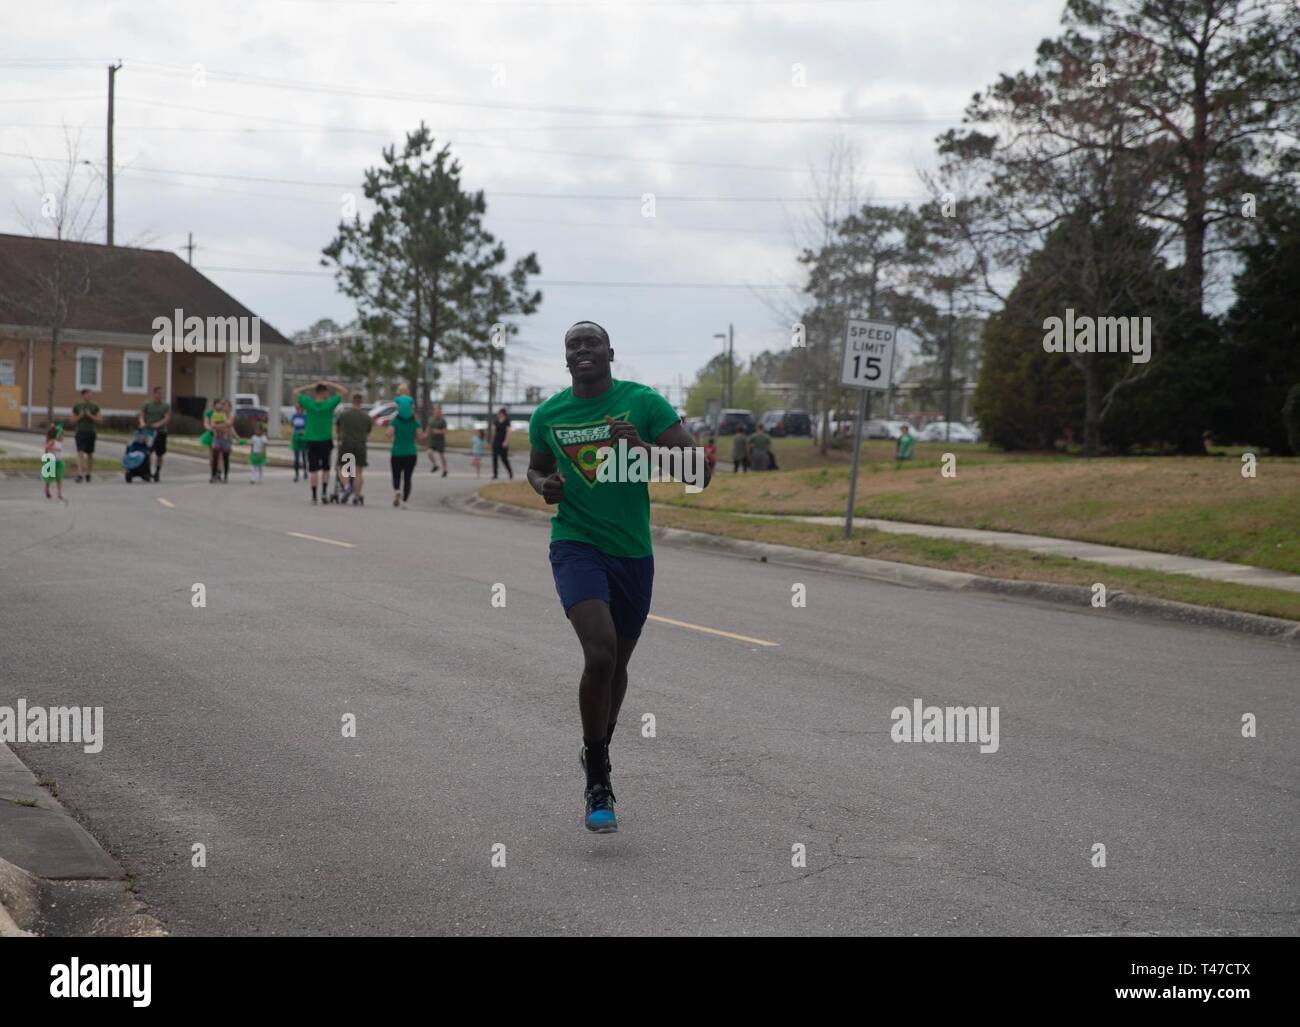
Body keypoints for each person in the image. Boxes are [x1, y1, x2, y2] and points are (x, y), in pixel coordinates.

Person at [527, 321, 710, 833]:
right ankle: (599, 775)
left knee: (617, 664)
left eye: (591, 343)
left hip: (632, 553)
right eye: (572, 345)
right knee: (600, 653)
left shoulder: (644, 404)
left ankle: (596, 750)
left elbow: (700, 473)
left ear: (610, 352)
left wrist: (646, 451)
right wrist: (546, 485)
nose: (582, 350)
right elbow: (535, 468)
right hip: (575, 545)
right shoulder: (548, 414)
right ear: (566, 359)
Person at [296, 380, 348, 505]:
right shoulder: (329, 404)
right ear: (324, 392)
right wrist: (329, 383)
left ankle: (314, 495)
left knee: (313, 469)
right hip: (325, 439)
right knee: (325, 468)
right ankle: (324, 492)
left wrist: (310, 385)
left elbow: (296, 392)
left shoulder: (309, 404)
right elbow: (343, 391)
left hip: (311, 440)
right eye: (326, 392)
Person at [385, 401, 427, 507]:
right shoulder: (415, 422)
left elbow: (388, 434)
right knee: (408, 477)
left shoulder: (395, 421)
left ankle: (397, 491)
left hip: (397, 452)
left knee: (396, 475)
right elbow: (420, 437)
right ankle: (405, 500)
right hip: (411, 453)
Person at [336, 392, 372, 505]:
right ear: (361, 402)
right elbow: (368, 431)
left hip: (347, 444)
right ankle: (357, 495)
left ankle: (347, 487)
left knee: (343, 468)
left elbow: (337, 429)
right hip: (361, 445)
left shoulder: (344, 415)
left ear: (352, 401)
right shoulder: (366, 417)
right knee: (358, 472)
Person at [139, 385, 171, 482]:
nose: (160, 395)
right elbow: (141, 415)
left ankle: (157, 472)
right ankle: (147, 472)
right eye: (159, 393)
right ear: (154, 394)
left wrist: (158, 424)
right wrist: (142, 423)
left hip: (161, 432)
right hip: (148, 432)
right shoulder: (147, 404)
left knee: (159, 454)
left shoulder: (165, 405)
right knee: (147, 452)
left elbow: (167, 418)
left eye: (162, 393)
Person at [71, 388, 100, 483]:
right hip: (80, 432)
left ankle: (88, 473)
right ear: (83, 395)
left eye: (90, 394)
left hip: (91, 432)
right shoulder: (77, 405)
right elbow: (72, 419)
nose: (89, 396)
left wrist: (90, 415)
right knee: (80, 453)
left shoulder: (95, 406)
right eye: (87, 394)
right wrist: (81, 415)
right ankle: (80, 474)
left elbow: (100, 419)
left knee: (90, 454)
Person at [207, 399, 240, 483]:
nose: (224, 407)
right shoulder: (216, 414)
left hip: (226, 439)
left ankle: (225, 476)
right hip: (217, 438)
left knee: (225, 458)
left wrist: (236, 437)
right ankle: (213, 476)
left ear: (230, 407)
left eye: (226, 405)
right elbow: (213, 425)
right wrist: (223, 427)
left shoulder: (231, 416)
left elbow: (230, 425)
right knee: (215, 456)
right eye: (223, 405)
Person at [42, 423, 66, 501]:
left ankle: (59, 493)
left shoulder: (61, 442)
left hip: (59, 462)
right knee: (50, 478)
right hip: (51, 461)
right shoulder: (53, 441)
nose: (63, 437)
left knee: (59, 478)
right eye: (62, 435)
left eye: (63, 435)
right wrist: (54, 448)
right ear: (58, 435)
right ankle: (47, 489)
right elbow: (46, 446)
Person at [426, 403, 449, 476]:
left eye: (439, 411)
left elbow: (445, 431)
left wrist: (438, 431)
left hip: (440, 441)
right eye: (435, 410)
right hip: (432, 440)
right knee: (429, 452)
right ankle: (435, 465)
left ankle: (445, 470)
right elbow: (428, 428)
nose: (437, 412)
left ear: (440, 412)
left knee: (441, 455)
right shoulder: (431, 419)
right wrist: (425, 434)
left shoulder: (443, 421)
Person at [491, 407, 513, 479]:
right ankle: (495, 474)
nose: (498, 414)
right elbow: (493, 431)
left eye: (500, 413)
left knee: (504, 459)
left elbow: (509, 432)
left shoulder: (507, 421)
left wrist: (506, 442)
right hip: (496, 442)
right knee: (494, 458)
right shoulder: (496, 421)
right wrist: (492, 440)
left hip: (503, 442)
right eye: (498, 413)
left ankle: (510, 473)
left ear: (503, 414)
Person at [290, 403, 308, 482]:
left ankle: (305, 471)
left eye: (300, 409)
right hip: (296, 438)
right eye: (297, 409)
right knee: (296, 458)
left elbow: (307, 427)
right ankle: (296, 474)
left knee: (304, 457)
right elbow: (292, 426)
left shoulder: (305, 417)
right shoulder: (294, 416)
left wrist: (303, 431)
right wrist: (293, 432)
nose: (299, 410)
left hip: (303, 438)